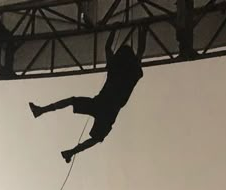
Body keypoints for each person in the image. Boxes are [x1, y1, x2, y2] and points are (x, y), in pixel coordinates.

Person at [29, 25, 147, 162]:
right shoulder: (131, 70)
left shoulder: (117, 66)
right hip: (110, 109)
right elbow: (139, 51)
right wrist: (142, 30)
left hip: (101, 103)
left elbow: (109, 48)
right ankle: (70, 151)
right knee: (96, 138)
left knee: (72, 101)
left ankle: (42, 110)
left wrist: (114, 30)